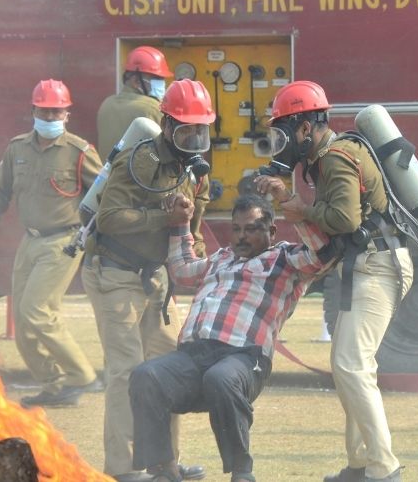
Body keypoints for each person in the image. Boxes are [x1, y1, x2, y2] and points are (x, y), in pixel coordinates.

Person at [258, 81, 414, 482]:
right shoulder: (329, 155)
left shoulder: (336, 156)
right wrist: (296, 203)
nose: (283, 143)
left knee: (351, 364)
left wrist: (303, 210)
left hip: (377, 264)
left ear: (306, 128)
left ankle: (384, 468)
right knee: (348, 365)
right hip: (365, 264)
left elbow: (345, 220)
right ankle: (361, 464)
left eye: (285, 132)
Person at [130, 192, 332, 482]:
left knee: (221, 377)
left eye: (251, 229)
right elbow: (182, 271)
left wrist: (290, 203)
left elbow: (320, 253)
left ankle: (241, 472)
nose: (241, 237)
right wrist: (181, 224)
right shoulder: (221, 258)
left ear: (271, 231)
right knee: (145, 375)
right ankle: (164, 469)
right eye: (236, 229)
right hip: (193, 356)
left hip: (244, 357)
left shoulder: (286, 259)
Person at [82, 79, 214, 482]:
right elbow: (108, 218)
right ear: (167, 125)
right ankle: (122, 470)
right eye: (186, 128)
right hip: (115, 274)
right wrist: (164, 217)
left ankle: (164, 464)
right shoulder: (138, 161)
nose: (194, 138)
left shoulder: (192, 172)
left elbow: (193, 229)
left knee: (166, 371)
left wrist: (204, 259)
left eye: (200, 129)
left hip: (155, 281)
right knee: (126, 373)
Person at [0, 79, 102, 408]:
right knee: (23, 321)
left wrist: (91, 233)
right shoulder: (17, 149)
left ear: (66, 114)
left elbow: (104, 194)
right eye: (44, 111)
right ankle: (55, 385)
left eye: (56, 111)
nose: (49, 117)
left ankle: (81, 376)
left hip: (63, 241)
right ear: (33, 110)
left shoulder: (79, 152)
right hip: (29, 241)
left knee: (37, 311)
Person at [96, 45, 173, 160]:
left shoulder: (106, 104)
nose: (162, 84)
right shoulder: (153, 108)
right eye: (156, 79)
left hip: (109, 177)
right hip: (139, 178)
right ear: (136, 81)